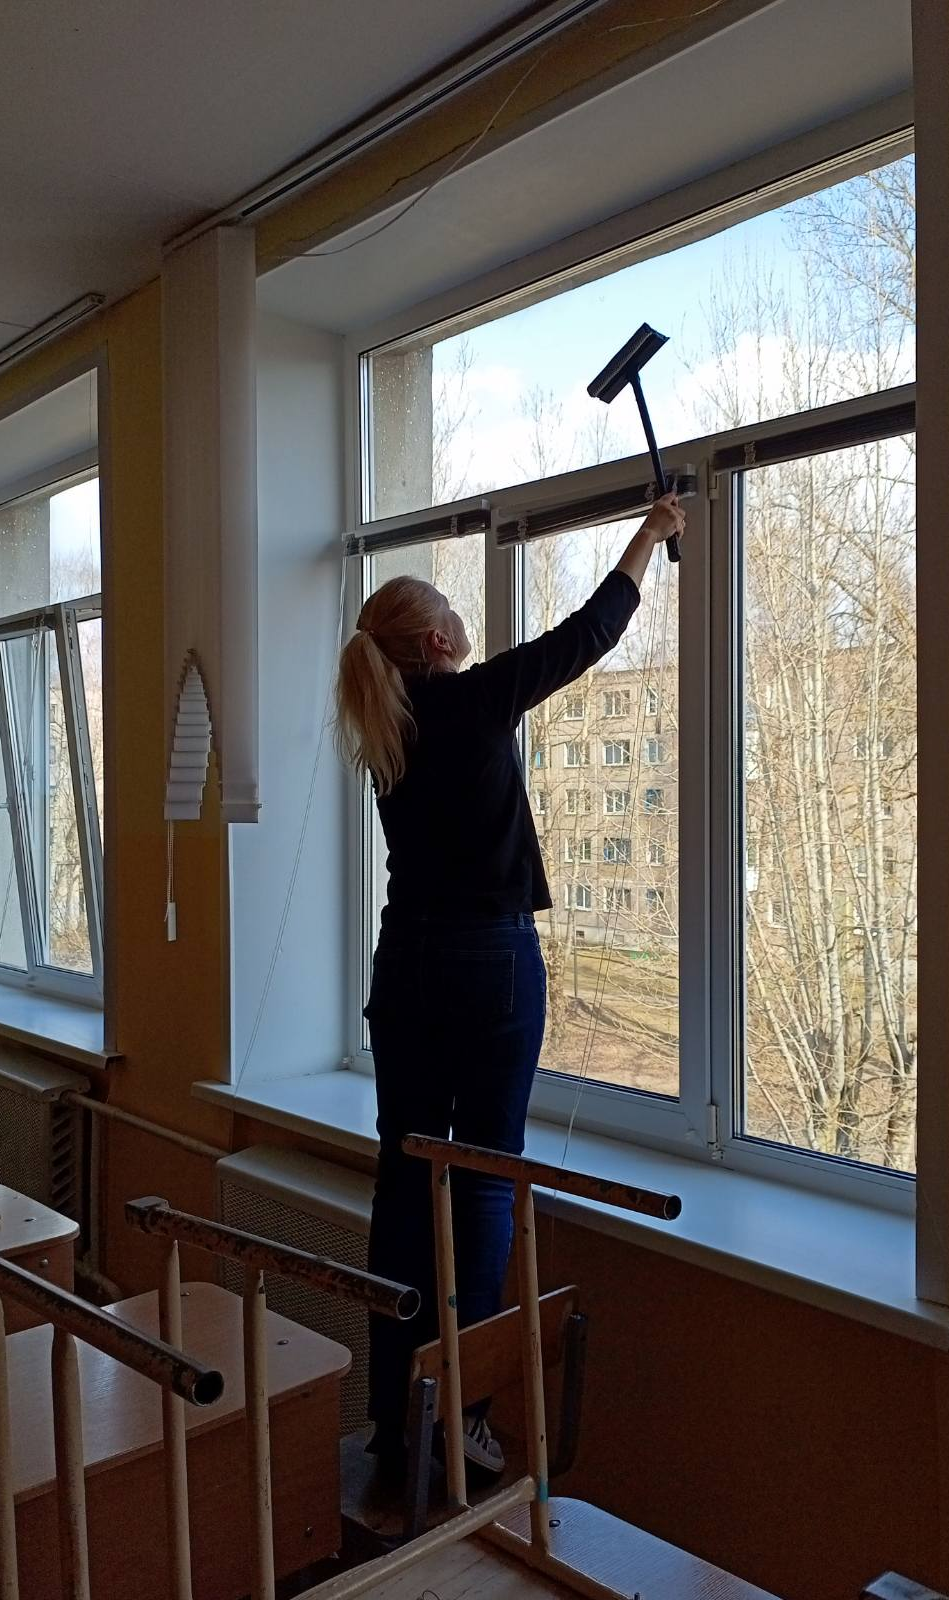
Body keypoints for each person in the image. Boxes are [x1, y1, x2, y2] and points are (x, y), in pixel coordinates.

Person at [334, 492, 686, 1479]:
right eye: (456, 615)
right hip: (486, 963)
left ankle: (398, 1421)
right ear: (438, 640)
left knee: (406, 1181)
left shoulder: (388, 730)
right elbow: (588, 635)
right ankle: (463, 1424)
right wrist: (649, 536)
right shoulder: (469, 701)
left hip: (406, 964)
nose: (466, 626)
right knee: (485, 1183)